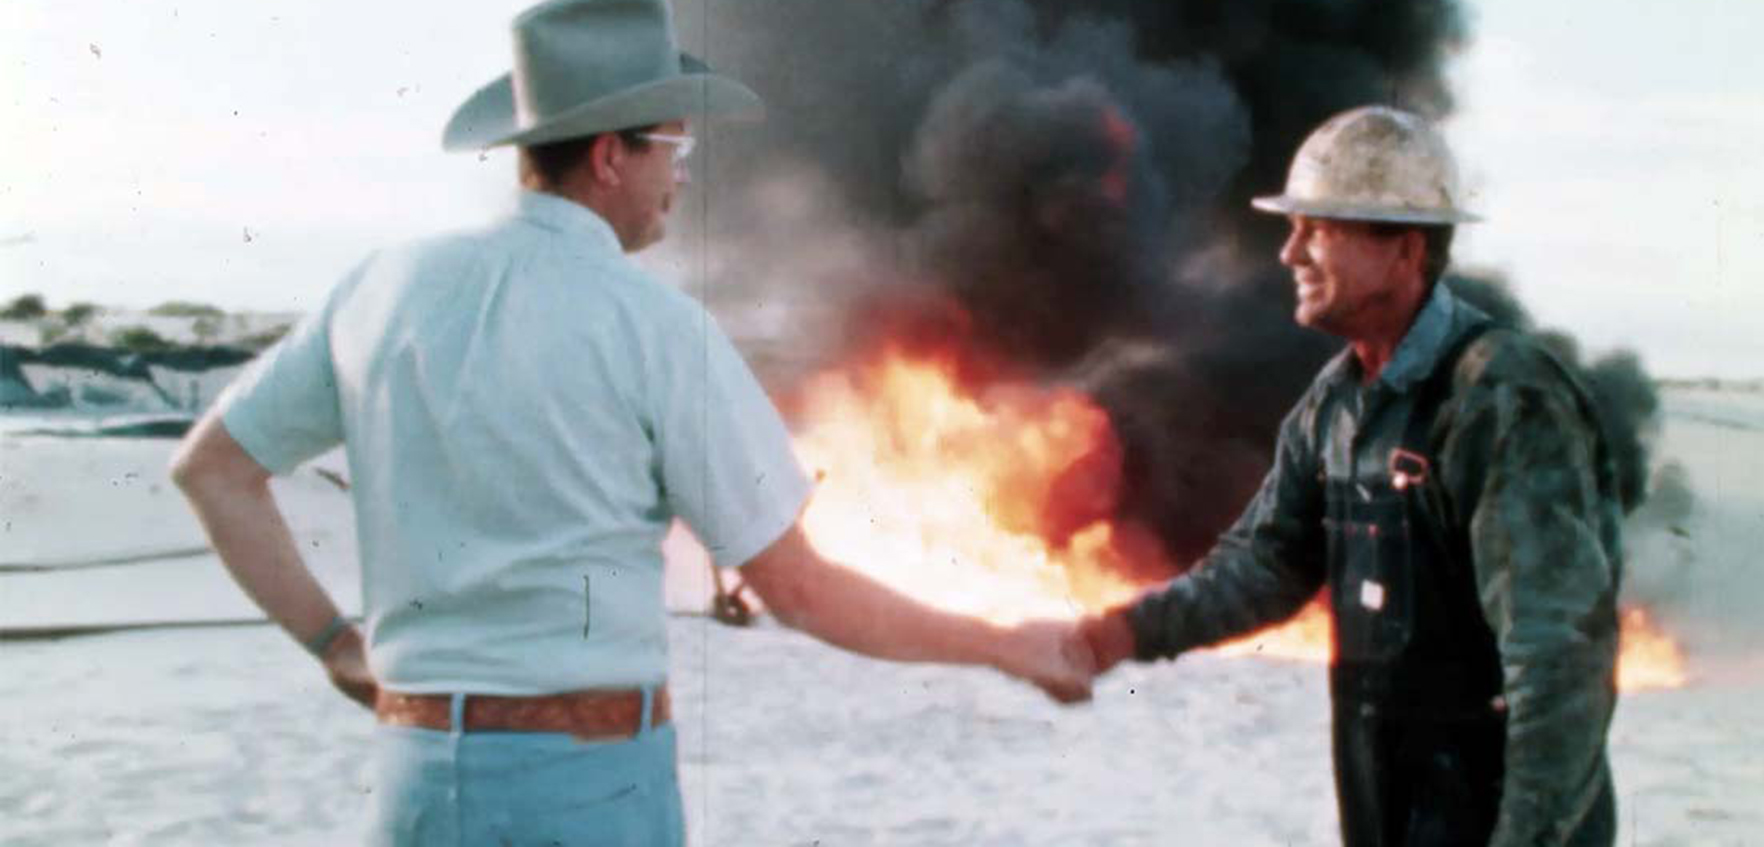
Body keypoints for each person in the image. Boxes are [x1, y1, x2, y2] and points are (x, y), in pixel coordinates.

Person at [168, 1, 1093, 844]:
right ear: (612, 154)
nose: (681, 180)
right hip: (589, 788)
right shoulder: (654, 330)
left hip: (413, 785)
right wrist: (1005, 645)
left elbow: (212, 471)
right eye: (674, 152)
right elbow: (802, 591)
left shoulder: (383, 288)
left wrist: (336, 644)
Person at [1074, 105, 1623, 846]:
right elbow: (1264, 565)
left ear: (1404, 249)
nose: (1289, 252)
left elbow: (1558, 658)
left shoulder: (1499, 397)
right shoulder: (1335, 404)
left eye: (1319, 228)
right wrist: (1126, 630)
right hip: (1391, 810)